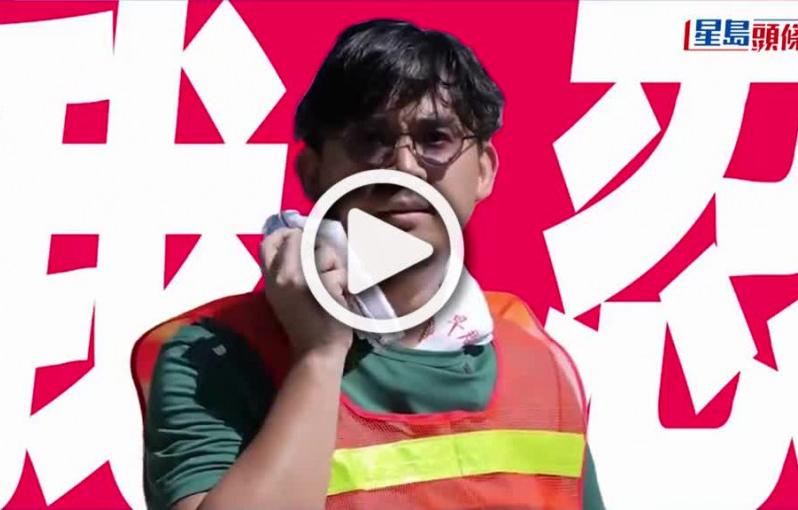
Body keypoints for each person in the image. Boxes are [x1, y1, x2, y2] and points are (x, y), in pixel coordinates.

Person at [141, 18, 605, 510]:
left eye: (436, 138)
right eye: (370, 139)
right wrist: (318, 355)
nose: (404, 168)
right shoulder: (216, 357)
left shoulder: (539, 361)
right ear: (313, 172)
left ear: (484, 171)